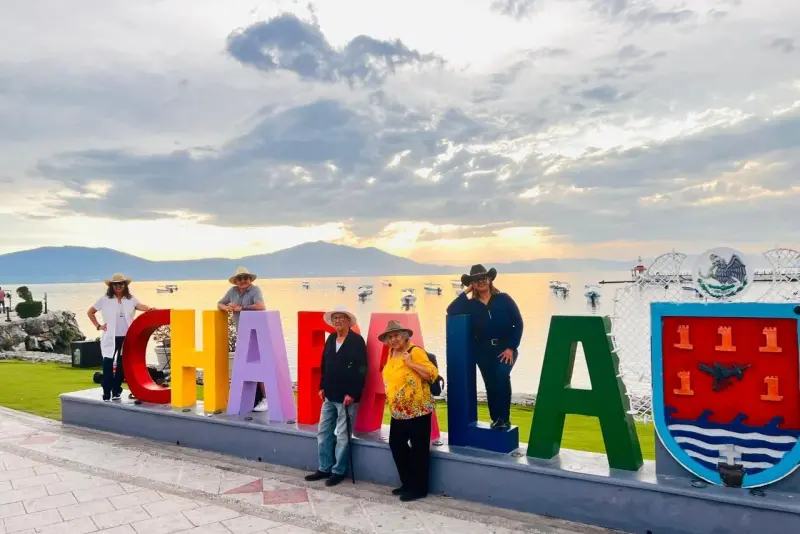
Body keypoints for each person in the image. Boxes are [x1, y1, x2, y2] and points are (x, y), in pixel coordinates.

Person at [447, 264, 523, 430]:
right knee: (490, 383)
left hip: (505, 349)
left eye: (483, 278)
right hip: (483, 351)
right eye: (475, 280)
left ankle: (504, 417)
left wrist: (511, 347)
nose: (480, 282)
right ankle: (496, 419)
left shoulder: (504, 299)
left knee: (502, 377)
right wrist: (466, 291)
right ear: (472, 284)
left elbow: (518, 323)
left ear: (489, 279)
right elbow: (451, 310)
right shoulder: (471, 304)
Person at [304, 306, 367, 487]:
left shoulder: (356, 341)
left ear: (349, 321)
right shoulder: (331, 339)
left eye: (341, 318)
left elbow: (362, 368)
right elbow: (325, 363)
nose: (338, 321)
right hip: (329, 395)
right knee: (323, 433)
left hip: (347, 398)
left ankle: (338, 471)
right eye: (335, 318)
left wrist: (353, 393)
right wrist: (322, 386)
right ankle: (324, 467)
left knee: (342, 436)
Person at [380, 320, 438, 502]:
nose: (393, 339)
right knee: (396, 444)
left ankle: (419, 489)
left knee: (419, 450)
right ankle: (408, 482)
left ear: (405, 336)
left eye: (396, 335)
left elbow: (431, 374)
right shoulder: (392, 352)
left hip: (418, 410)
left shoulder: (415, 351)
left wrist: (411, 364)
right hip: (399, 411)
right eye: (390, 337)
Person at [87, 273, 155, 401]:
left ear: (125, 285)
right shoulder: (104, 300)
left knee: (122, 366)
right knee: (107, 365)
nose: (118, 286)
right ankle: (106, 391)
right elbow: (90, 312)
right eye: (115, 284)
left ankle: (116, 390)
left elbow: (141, 306)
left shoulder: (131, 300)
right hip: (110, 338)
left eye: (121, 284)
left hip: (126, 337)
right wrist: (98, 326)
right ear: (112, 286)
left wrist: (150, 308)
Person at [217, 267, 268, 412]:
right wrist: (226, 308)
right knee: (246, 367)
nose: (243, 280)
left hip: (256, 333)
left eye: (245, 277)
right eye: (239, 278)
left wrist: (241, 308)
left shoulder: (255, 290)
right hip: (243, 334)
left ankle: (266, 399)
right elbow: (220, 303)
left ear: (250, 279)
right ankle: (249, 399)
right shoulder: (232, 291)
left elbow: (261, 306)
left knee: (259, 366)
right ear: (236, 281)